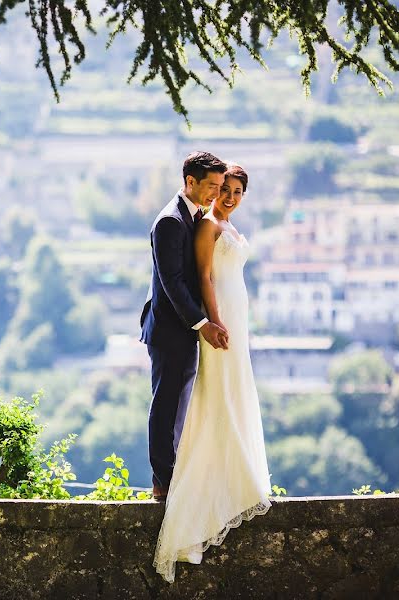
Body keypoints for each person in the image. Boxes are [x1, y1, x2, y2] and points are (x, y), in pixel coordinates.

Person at [152, 163, 273, 583]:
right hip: (197, 323)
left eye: (233, 189)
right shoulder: (185, 222)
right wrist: (210, 322)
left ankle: (234, 475)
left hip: (230, 319)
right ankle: (171, 484)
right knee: (190, 398)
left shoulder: (214, 219)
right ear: (195, 184)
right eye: (221, 188)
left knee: (228, 395)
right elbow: (190, 278)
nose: (226, 195)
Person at [140, 151, 230, 505]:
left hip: (184, 329)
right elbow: (173, 282)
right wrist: (203, 323)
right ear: (189, 181)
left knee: (179, 404)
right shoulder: (170, 221)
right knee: (166, 404)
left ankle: (174, 475)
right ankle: (163, 482)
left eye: (220, 186)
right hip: (167, 330)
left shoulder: (193, 217)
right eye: (211, 186)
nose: (215, 193)